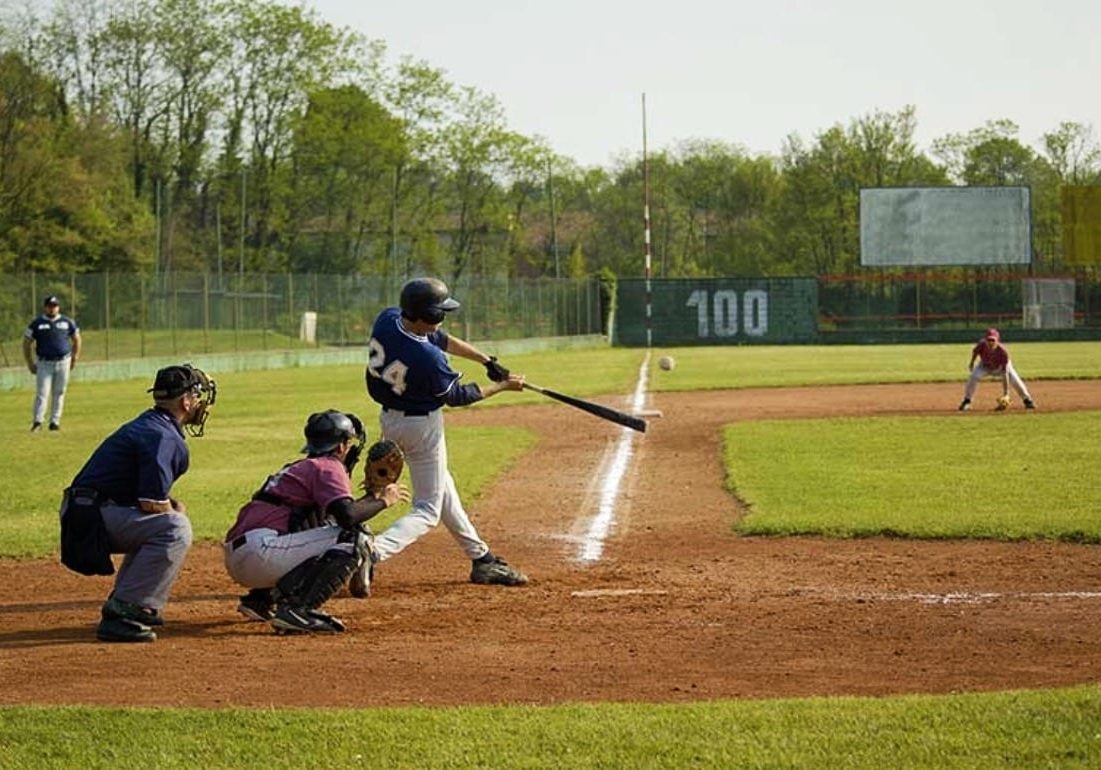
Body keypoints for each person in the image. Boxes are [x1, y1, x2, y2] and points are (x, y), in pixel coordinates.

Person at [361, 277, 529, 591]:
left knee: (443, 487)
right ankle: (371, 552)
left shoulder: (387, 319)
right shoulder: (428, 359)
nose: (443, 317)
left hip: (391, 420)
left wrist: (486, 361)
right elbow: (459, 396)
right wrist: (504, 386)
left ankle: (482, 559)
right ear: (428, 315)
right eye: (440, 312)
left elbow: (439, 337)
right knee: (427, 509)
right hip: (421, 428)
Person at [59, 364, 217, 643]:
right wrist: (171, 510)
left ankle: (124, 600)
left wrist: (168, 505)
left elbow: (145, 495)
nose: (201, 404)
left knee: (163, 523)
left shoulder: (154, 425)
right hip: (90, 516)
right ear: (185, 401)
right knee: (174, 528)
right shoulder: (162, 435)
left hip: (88, 510)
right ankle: (126, 610)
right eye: (198, 396)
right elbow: (151, 503)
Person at [224, 410, 409, 635]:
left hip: (243, 555)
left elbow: (332, 516)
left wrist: (372, 496)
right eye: (348, 443)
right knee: (355, 538)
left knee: (320, 525)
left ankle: (262, 600)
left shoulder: (303, 467)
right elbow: (348, 517)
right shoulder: (328, 467)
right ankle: (297, 610)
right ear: (341, 446)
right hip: (261, 553)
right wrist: (384, 501)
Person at [23, 295, 82, 431]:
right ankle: (38, 422)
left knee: (59, 392)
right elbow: (27, 342)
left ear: (58, 307)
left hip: (63, 361)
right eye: (50, 306)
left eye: (54, 306)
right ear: (45, 307)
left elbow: (77, 339)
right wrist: (30, 362)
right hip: (44, 363)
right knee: (42, 393)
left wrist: (75, 357)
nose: (52, 309)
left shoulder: (67, 322)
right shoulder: (37, 323)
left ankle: (55, 422)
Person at [959, 327, 1036, 411]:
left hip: (1001, 367)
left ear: (997, 341)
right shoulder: (981, 345)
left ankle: (1027, 400)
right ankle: (967, 401)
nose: (990, 342)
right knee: (973, 376)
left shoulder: (1003, 352)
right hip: (985, 366)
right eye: (988, 340)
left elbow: (1005, 373)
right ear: (985, 340)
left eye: (993, 340)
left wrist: (1006, 393)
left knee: (1015, 380)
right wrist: (972, 363)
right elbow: (975, 352)